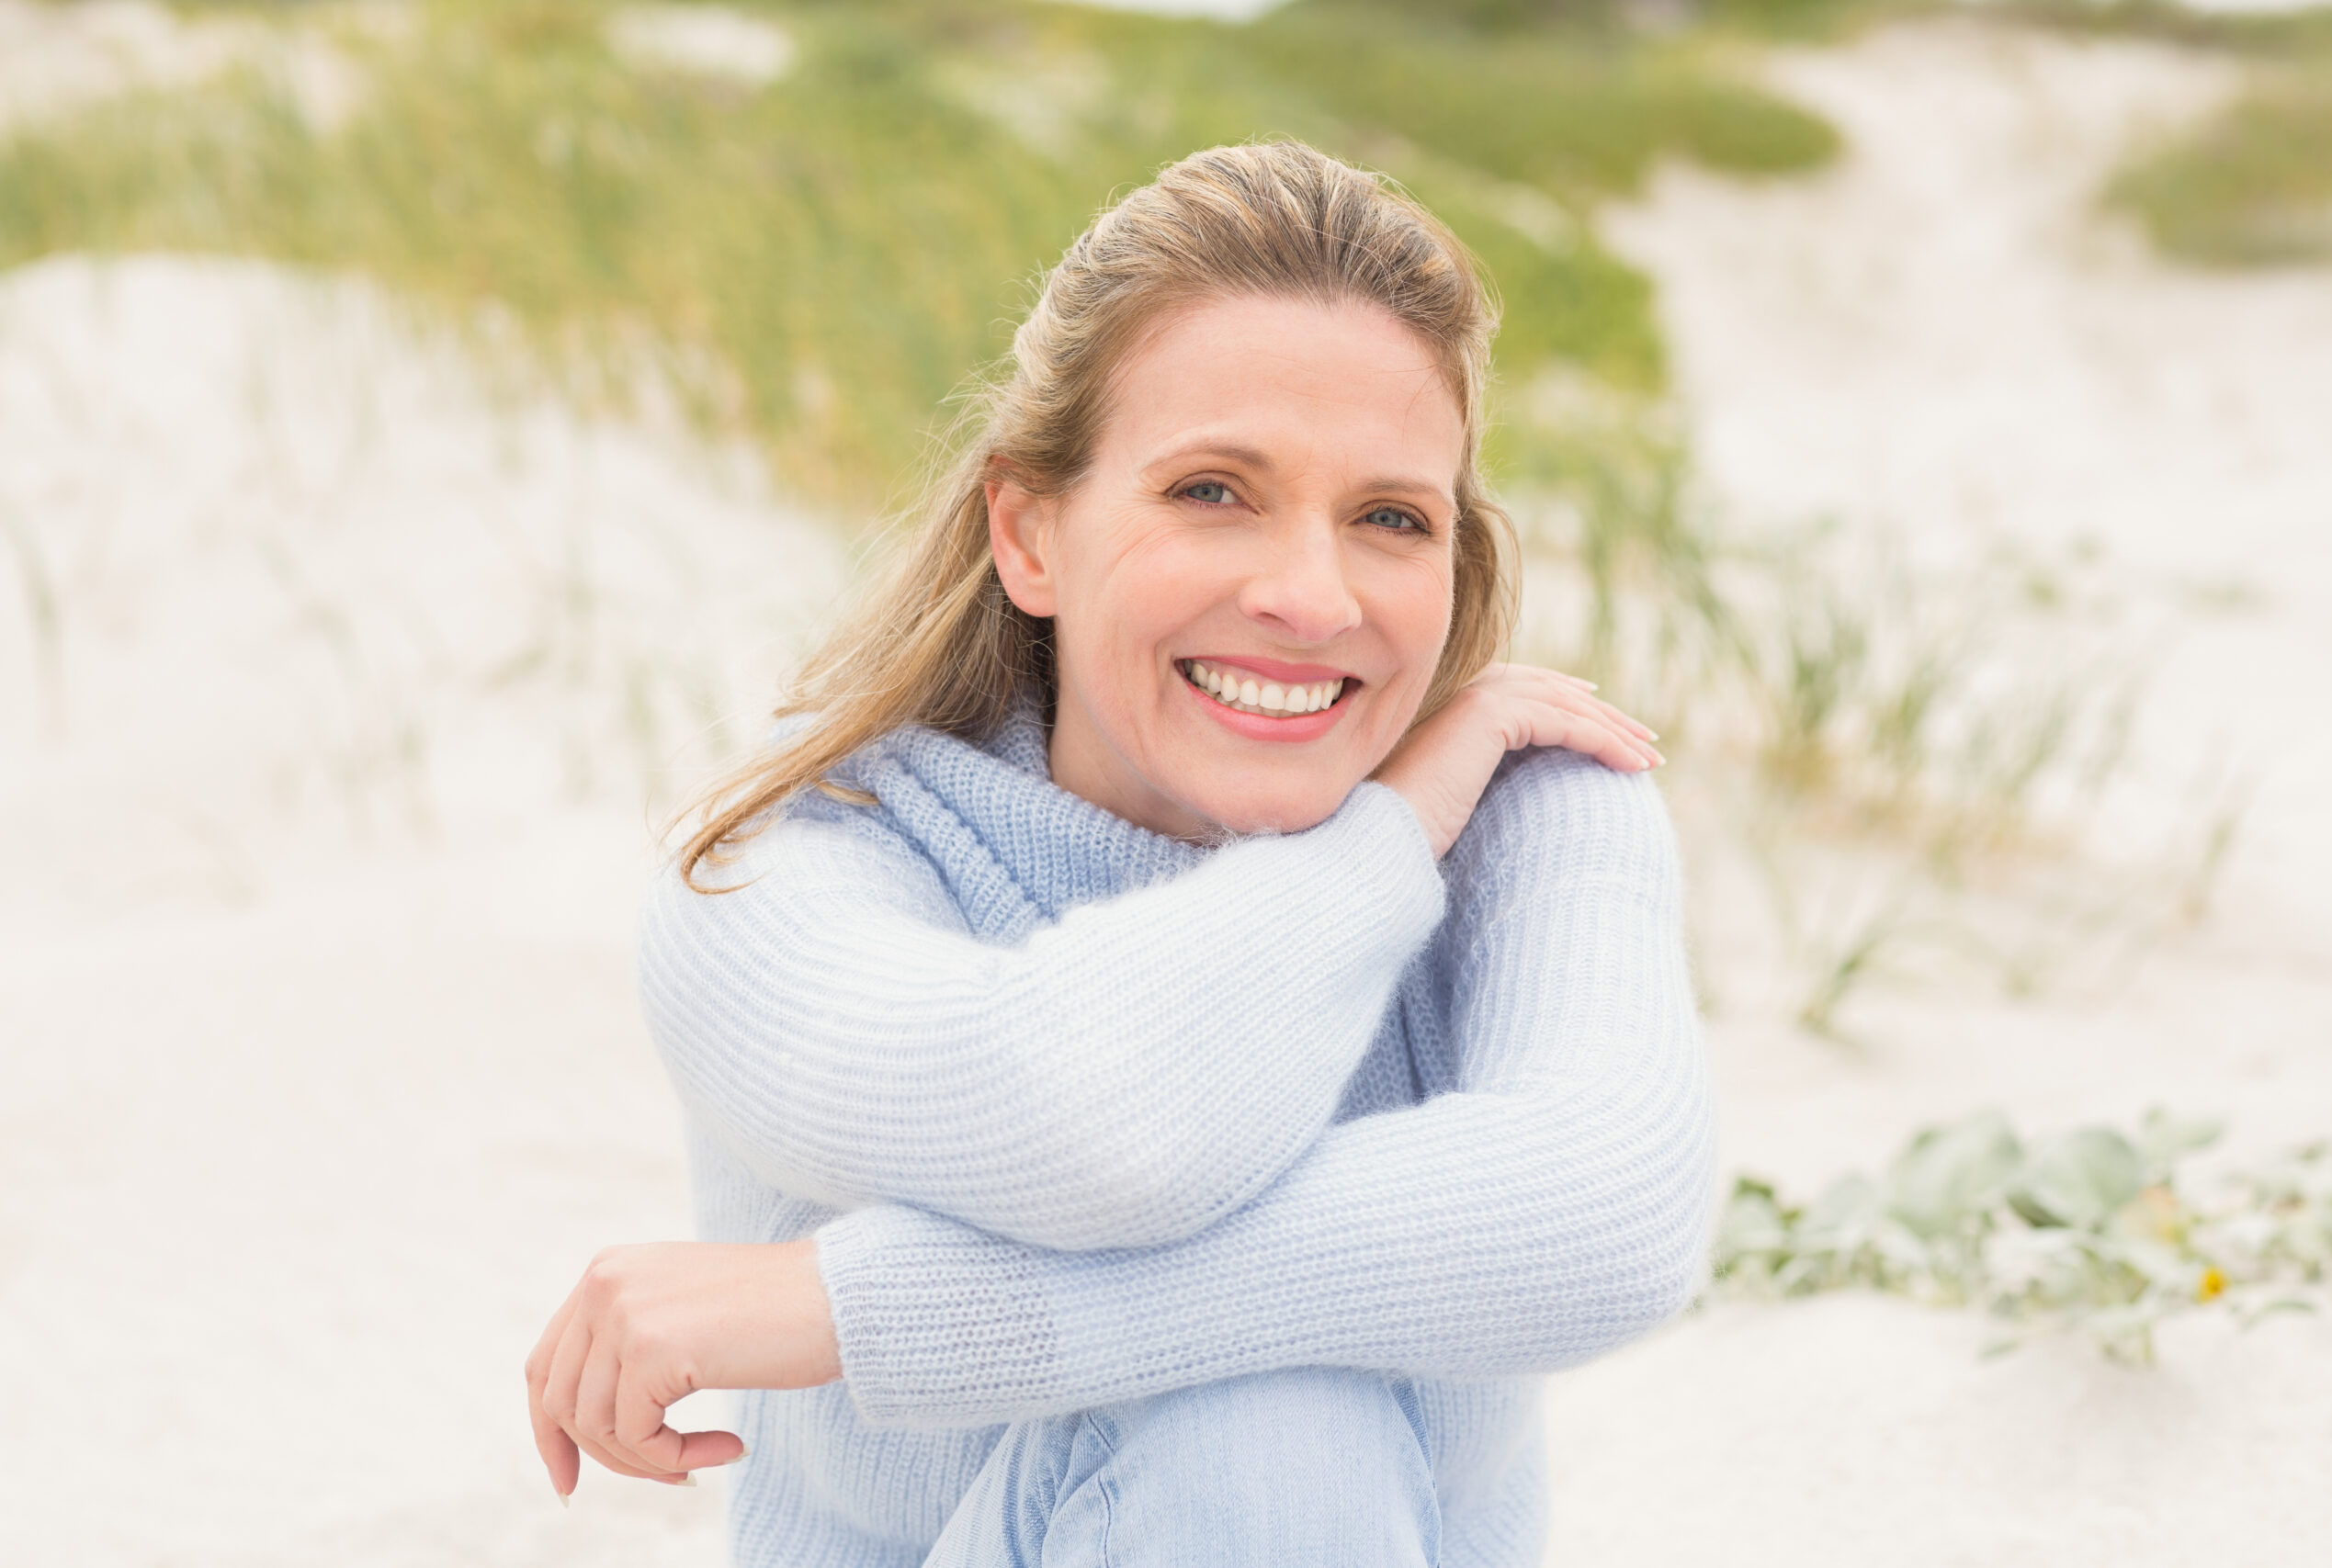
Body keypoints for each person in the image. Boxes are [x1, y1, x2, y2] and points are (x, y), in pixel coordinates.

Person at [525, 140, 1714, 1567]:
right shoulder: (790, 859)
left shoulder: (1537, 806)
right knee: (1261, 1421)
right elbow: (1108, 1126)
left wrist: (855, 1307)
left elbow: (1612, 1218)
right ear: (1031, 532)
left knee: (1265, 1400)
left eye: (1391, 519)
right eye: (1213, 491)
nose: (1309, 596)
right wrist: (1377, 843)